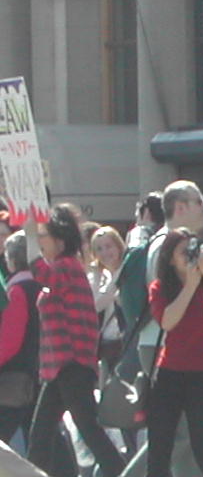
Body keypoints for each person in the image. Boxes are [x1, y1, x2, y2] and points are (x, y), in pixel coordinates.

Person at [24, 204, 125, 477]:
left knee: (88, 432)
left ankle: (121, 473)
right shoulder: (67, 269)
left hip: (71, 364)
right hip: (60, 367)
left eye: (44, 235)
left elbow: (40, 273)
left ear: (59, 239)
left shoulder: (66, 267)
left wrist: (29, 236)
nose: (39, 240)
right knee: (41, 438)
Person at [120, 179, 203, 477]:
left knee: (171, 433)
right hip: (164, 345)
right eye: (200, 201)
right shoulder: (167, 246)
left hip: (165, 343)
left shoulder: (169, 243)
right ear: (181, 207)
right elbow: (166, 305)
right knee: (184, 436)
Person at [146, 228, 203, 477]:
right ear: (170, 259)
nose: (190, 256)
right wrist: (190, 286)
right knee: (159, 452)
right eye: (184, 252)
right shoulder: (160, 287)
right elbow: (167, 321)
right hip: (169, 372)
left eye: (194, 249)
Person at [0, 231, 41, 444]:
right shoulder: (41, 286)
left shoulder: (16, 291)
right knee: (43, 437)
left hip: (14, 375)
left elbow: (10, 340)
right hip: (37, 371)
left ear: (13, 259)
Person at [88, 226, 127, 372]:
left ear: (118, 246)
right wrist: (97, 276)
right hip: (106, 344)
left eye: (108, 246)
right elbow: (93, 307)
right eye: (99, 249)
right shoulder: (100, 277)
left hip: (124, 342)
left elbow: (101, 302)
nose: (105, 252)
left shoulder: (125, 272)